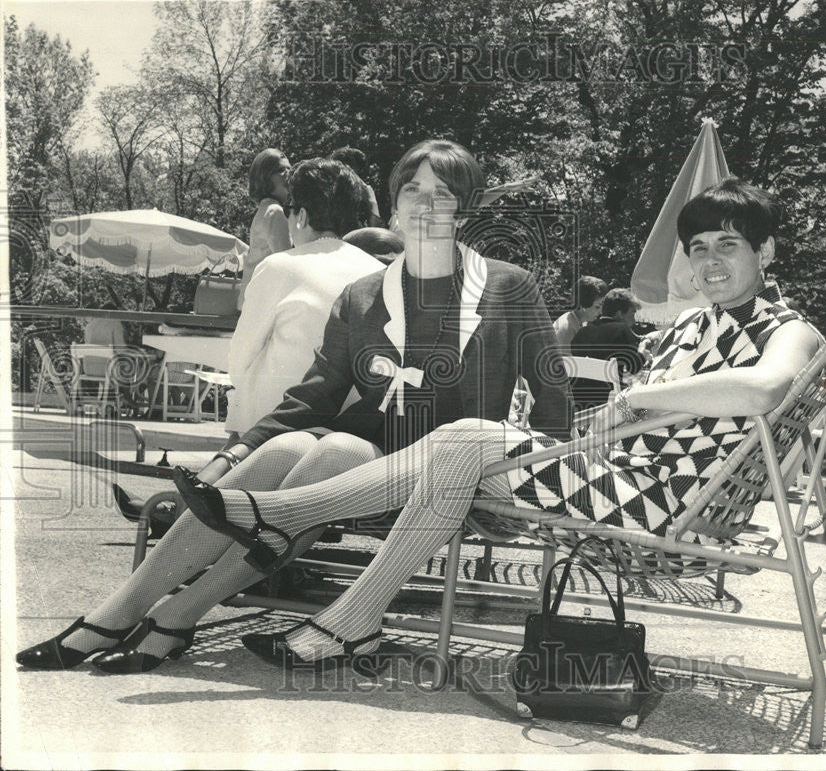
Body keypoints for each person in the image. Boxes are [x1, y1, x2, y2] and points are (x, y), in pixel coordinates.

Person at [156, 177, 822, 669]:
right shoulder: (694, 327)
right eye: (698, 245)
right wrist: (620, 407)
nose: (709, 260)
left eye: (728, 246)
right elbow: (649, 402)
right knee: (461, 449)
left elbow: (769, 388)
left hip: (663, 512)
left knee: (470, 438)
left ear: (766, 252)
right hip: (621, 484)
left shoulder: (788, 327)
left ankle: (283, 518)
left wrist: (640, 401)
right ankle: (342, 608)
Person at [16, 139, 571, 673]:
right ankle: (120, 612)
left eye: (443, 194)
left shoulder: (507, 286)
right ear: (396, 204)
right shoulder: (364, 294)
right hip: (374, 453)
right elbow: (316, 394)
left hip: (456, 469)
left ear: (464, 210)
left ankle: (172, 615)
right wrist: (230, 456)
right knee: (293, 443)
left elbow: (553, 394)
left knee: (329, 454)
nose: (425, 205)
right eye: (414, 190)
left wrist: (541, 482)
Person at [224, 158, 386, 436]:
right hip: (350, 429)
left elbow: (239, 360)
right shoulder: (380, 272)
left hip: (276, 425)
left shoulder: (279, 266)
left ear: (301, 216)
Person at [569, 287, 645, 409]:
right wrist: (643, 352)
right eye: (633, 313)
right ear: (620, 314)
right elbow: (634, 368)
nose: (635, 319)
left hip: (577, 403)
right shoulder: (621, 330)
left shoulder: (583, 332)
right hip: (608, 405)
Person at [238, 149, 293, 310]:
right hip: (262, 302)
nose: (288, 174)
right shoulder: (274, 211)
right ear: (264, 177)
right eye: (281, 170)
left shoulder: (265, 209)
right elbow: (287, 263)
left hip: (253, 299)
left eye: (289, 169)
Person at [328, 146, 385, 228]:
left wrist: (372, 203)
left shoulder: (364, 192)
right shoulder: (326, 192)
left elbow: (377, 233)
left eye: (355, 172)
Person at [552, 276, 608, 349]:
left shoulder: (581, 323)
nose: (600, 311)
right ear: (583, 304)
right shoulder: (565, 328)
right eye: (597, 307)